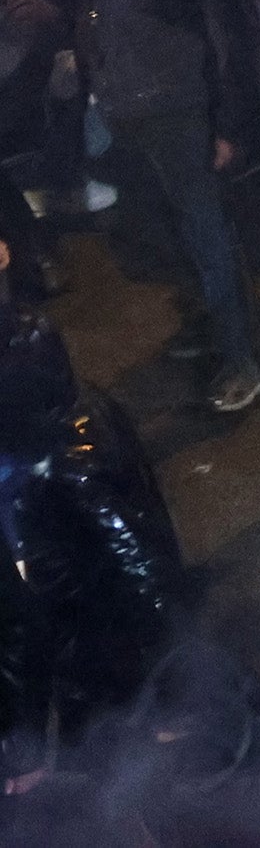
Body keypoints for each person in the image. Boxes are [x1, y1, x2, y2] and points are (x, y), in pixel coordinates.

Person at [78, 0, 260, 416]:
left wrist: (229, 125)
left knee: (206, 232)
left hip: (181, 108)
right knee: (160, 226)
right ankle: (205, 320)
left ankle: (241, 353)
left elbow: (232, 39)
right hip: (131, 100)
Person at [0, 302, 185, 775]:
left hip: (97, 654)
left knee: (108, 763)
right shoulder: (72, 418)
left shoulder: (67, 468)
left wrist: (168, 680)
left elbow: (143, 571)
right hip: (82, 643)